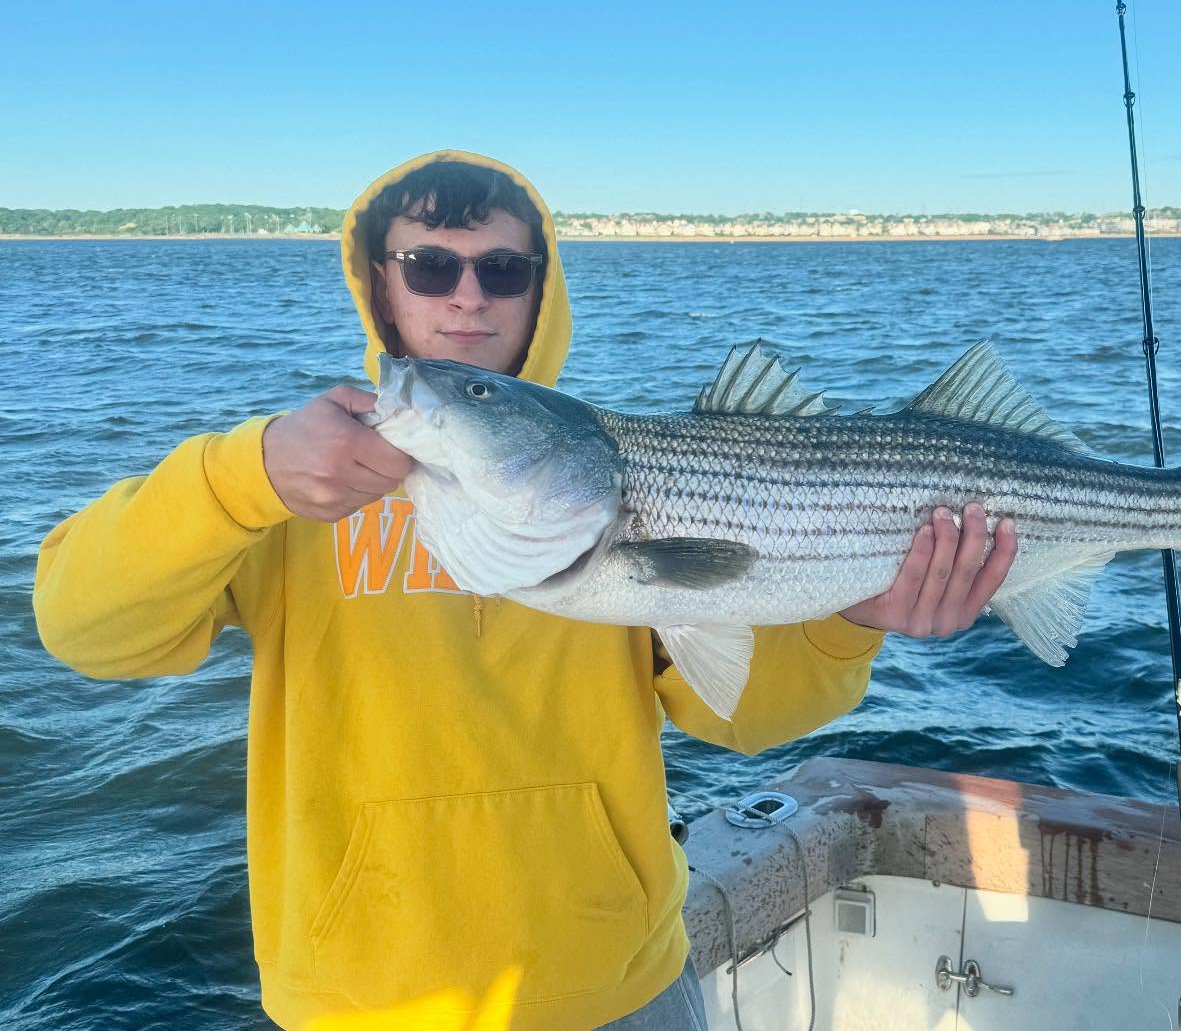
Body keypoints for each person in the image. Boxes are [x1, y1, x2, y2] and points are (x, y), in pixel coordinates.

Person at [33, 150, 1017, 1030]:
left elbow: (747, 717)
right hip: (360, 1003)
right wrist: (235, 479)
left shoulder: (616, 470)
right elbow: (87, 631)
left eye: (502, 269)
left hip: (621, 984)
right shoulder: (282, 482)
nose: (468, 298)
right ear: (380, 283)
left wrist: (847, 623)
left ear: (541, 287)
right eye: (430, 266)